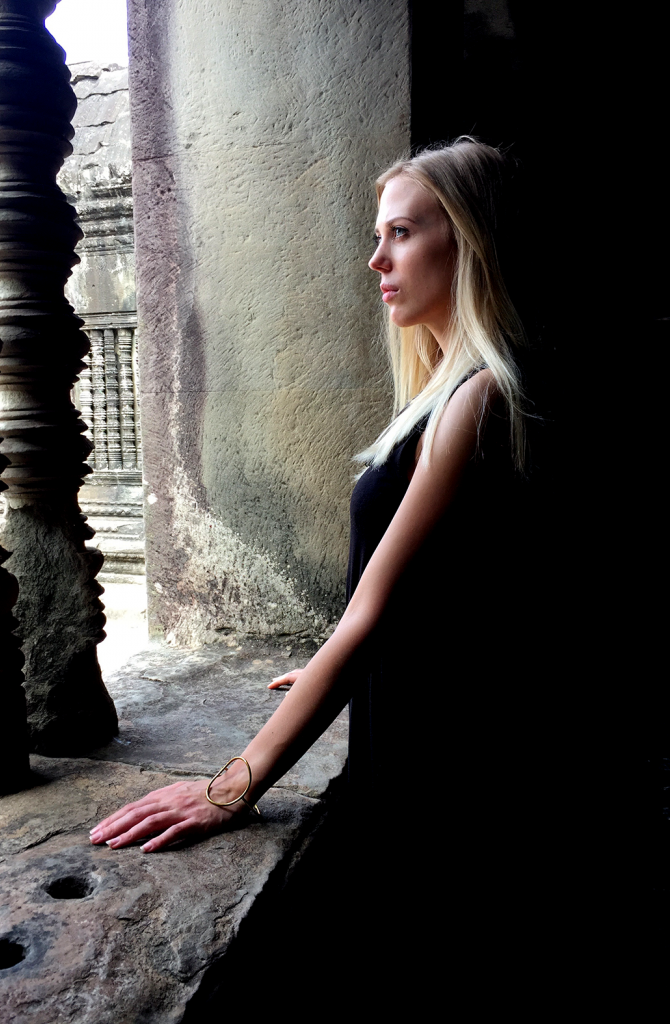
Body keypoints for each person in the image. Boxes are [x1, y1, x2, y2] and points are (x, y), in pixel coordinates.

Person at [89, 137, 529, 857]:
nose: (376, 260)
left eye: (403, 233)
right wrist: (346, 665)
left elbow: (375, 611)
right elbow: (439, 591)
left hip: (442, 750)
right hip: (412, 702)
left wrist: (228, 787)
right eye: (377, 235)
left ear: (472, 241)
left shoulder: (479, 399)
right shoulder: (453, 387)